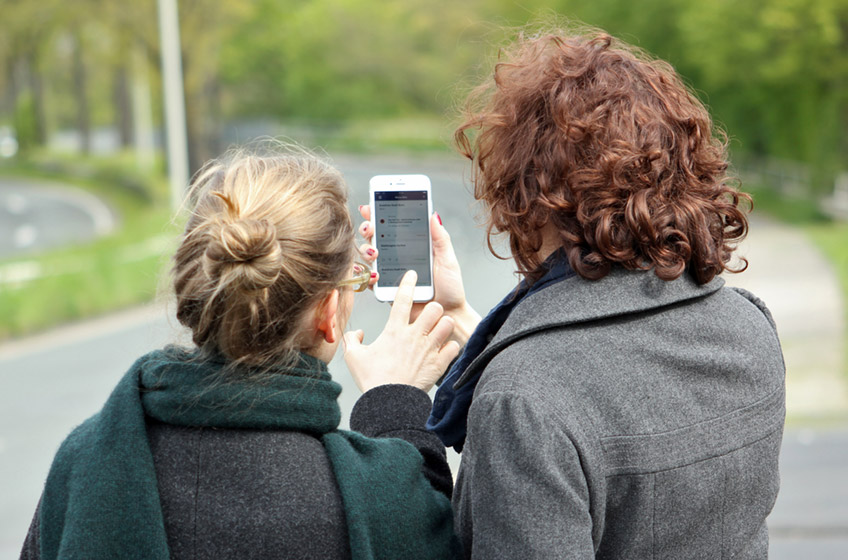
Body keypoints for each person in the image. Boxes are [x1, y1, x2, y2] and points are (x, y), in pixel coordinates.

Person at [358, 29, 785, 559]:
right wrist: (462, 319)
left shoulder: (523, 400)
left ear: (530, 191)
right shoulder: (748, 325)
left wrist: (391, 410)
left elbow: (555, 405)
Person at [20, 147, 463, 560]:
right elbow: (430, 532)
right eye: (355, 281)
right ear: (329, 313)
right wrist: (394, 404)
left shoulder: (84, 463)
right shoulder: (375, 495)